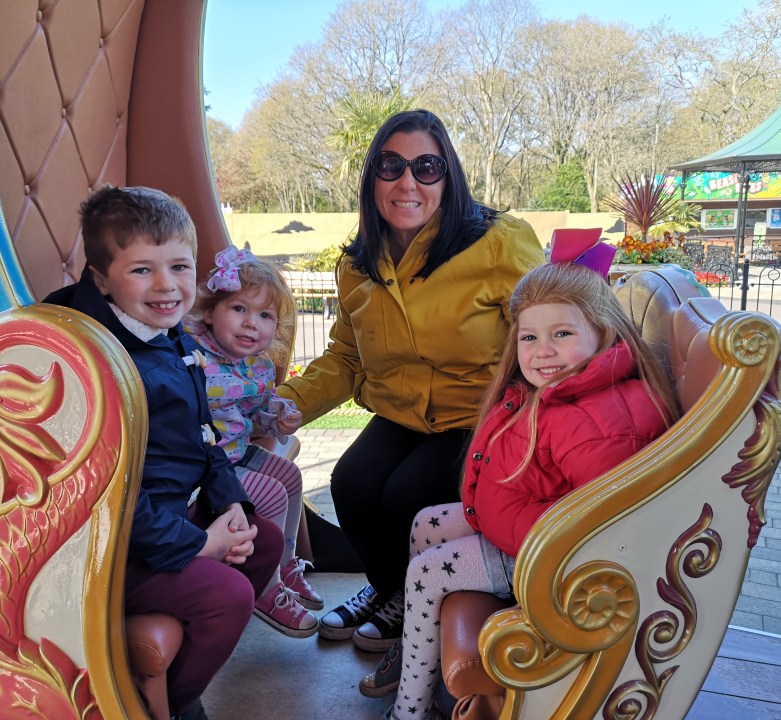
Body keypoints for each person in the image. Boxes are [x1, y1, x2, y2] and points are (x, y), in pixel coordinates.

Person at [360, 244, 680, 720]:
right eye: (528, 337)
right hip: (527, 532)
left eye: (562, 333)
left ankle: (410, 708)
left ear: (604, 331)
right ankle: (415, 651)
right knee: (426, 523)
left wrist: (526, 548)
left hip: (554, 563)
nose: (542, 351)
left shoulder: (594, 419)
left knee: (428, 572)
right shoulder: (562, 392)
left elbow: (603, 530)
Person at [276, 109, 543, 652]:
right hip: (403, 414)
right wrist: (283, 405)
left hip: (481, 415)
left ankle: (406, 600)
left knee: (406, 496)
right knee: (351, 485)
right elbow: (346, 359)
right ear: (372, 175)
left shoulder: (499, 243)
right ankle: (389, 589)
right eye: (391, 165)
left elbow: (551, 324)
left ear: (449, 178)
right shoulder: (357, 266)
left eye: (426, 167)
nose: (407, 182)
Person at [44, 186, 283, 720]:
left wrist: (231, 508)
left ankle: (182, 682)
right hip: (107, 548)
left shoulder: (167, 332)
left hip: (162, 513)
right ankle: (163, 707)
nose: (166, 286)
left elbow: (204, 437)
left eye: (179, 266)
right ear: (102, 278)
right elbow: (102, 493)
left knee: (262, 538)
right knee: (229, 596)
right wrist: (199, 544)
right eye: (141, 271)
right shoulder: (94, 359)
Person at [187, 246, 322, 638]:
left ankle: (286, 564)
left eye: (265, 316)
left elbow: (253, 412)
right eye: (239, 309)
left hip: (236, 452)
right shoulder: (195, 356)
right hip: (204, 469)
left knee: (290, 477)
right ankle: (266, 585)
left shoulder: (258, 367)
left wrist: (276, 417)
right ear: (210, 312)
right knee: (273, 493)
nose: (251, 325)